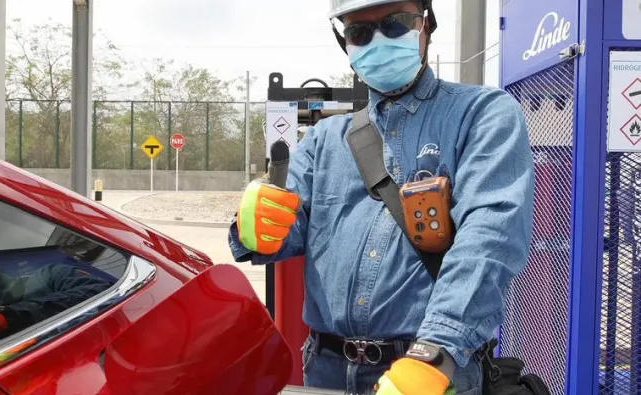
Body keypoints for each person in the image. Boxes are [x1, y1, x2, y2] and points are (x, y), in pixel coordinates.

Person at [229, 1, 535, 394]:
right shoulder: (324, 139)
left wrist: (434, 355)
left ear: (426, 24)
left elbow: (490, 238)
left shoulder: (482, 114)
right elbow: (287, 231)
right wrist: (254, 228)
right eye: (359, 32)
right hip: (326, 368)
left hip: (429, 373)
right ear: (346, 43)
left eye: (394, 25)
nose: (378, 40)